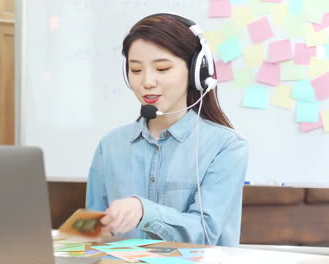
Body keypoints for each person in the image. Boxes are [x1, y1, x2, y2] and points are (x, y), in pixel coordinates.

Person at [85, 13, 248, 246]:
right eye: (136, 70)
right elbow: (93, 230)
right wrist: (87, 231)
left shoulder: (227, 147)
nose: (147, 81)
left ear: (195, 72)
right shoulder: (110, 145)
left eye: (162, 69)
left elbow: (205, 235)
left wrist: (144, 212)